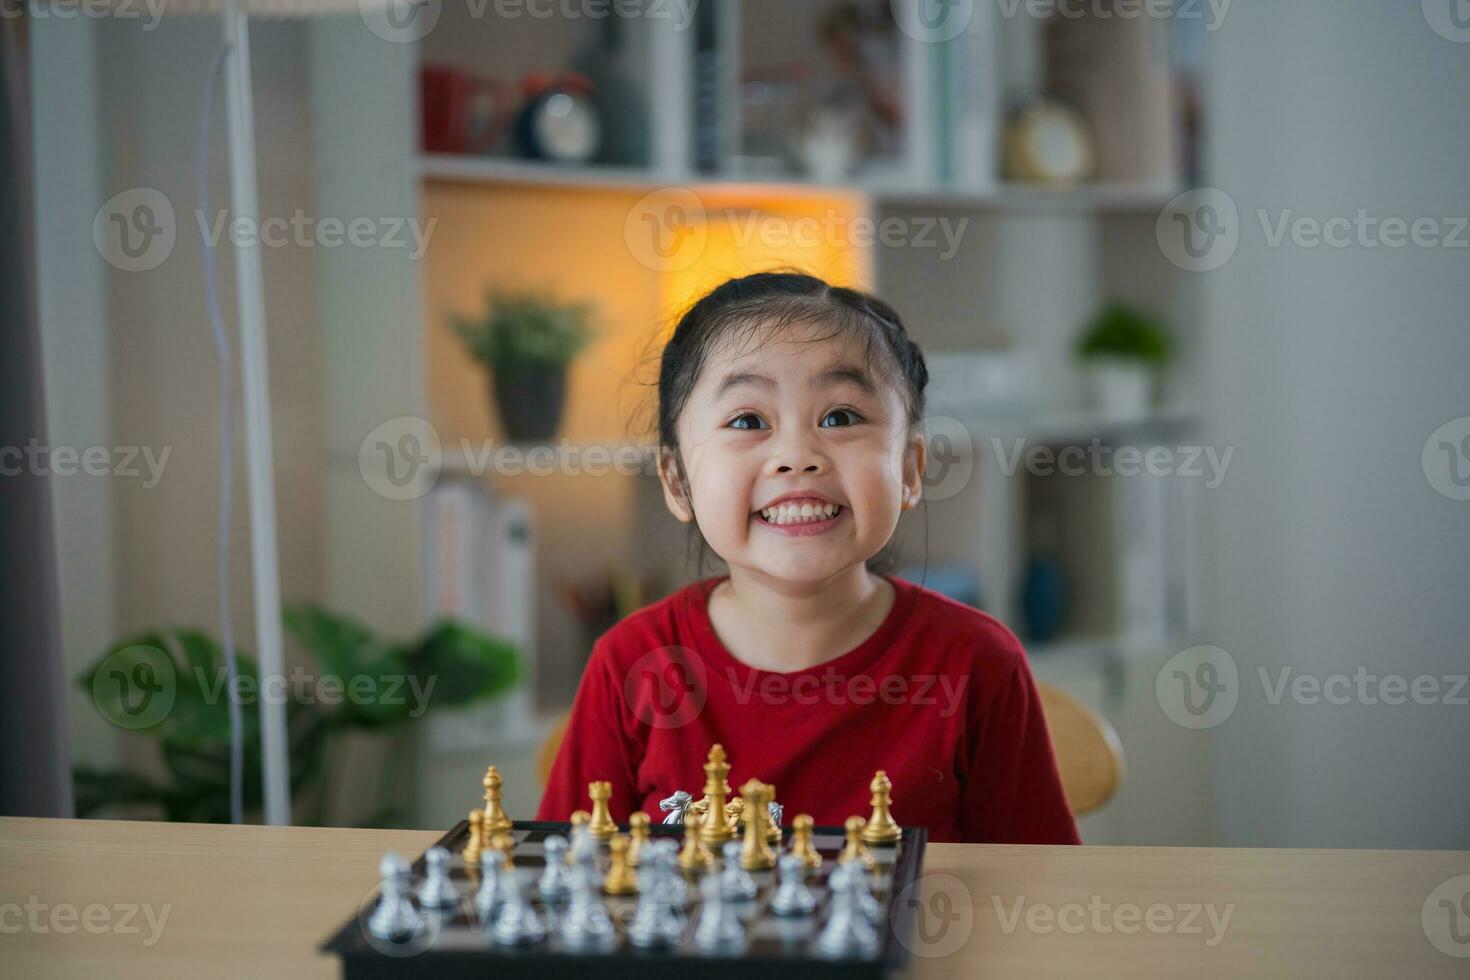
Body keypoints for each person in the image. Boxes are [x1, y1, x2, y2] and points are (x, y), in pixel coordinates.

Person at [537, 272, 1080, 844]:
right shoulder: (632, 664)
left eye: (840, 417)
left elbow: (1039, 890)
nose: (796, 456)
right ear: (677, 481)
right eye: (748, 421)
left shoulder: (979, 664)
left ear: (910, 469)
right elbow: (563, 886)